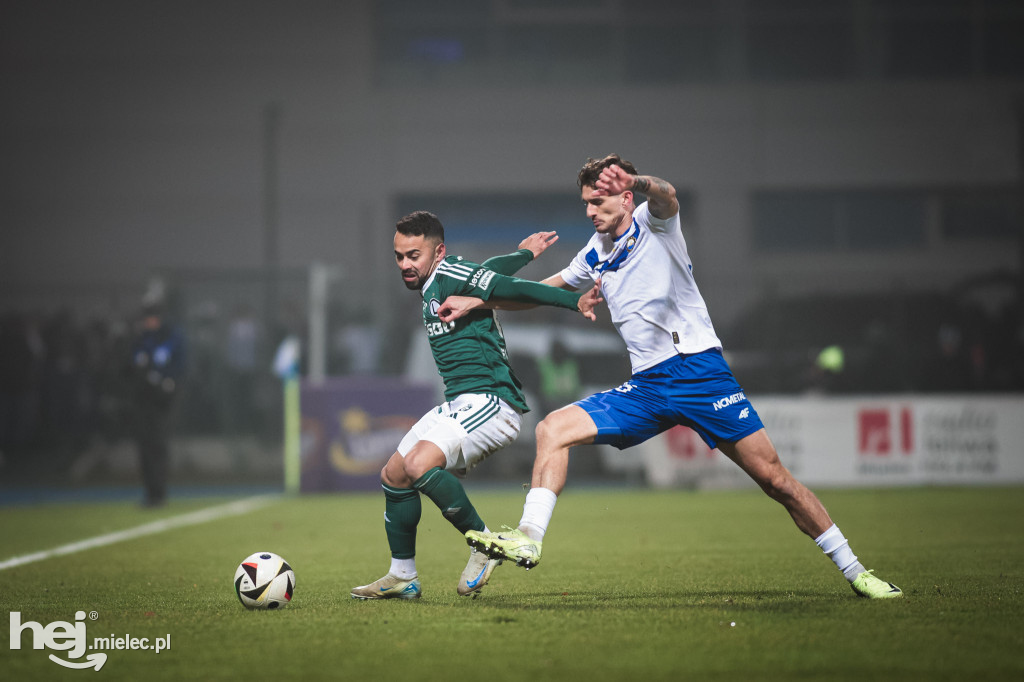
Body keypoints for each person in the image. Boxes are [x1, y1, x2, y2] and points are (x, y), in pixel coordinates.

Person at [442, 154, 902, 599]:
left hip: (700, 374)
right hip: (647, 386)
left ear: (625, 197)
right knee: (552, 429)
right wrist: (479, 303)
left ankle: (857, 572)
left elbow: (668, 195)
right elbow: (541, 291)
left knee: (775, 480)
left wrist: (637, 180)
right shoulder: (594, 251)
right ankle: (529, 537)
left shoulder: (653, 221)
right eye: (585, 202)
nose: (590, 211)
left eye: (599, 200)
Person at [350, 210, 602, 600]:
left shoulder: (450, 272)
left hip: (492, 402)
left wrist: (573, 301)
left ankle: (483, 546)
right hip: (459, 403)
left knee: (419, 465)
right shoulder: (439, 279)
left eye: (413, 255)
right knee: (394, 475)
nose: (404, 264)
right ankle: (403, 576)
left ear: (439, 252)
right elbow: (490, 269)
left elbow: (509, 288)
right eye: (399, 255)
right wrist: (525, 253)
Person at [126, 300, 186, 508]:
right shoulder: (141, 339)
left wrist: (166, 384)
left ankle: (159, 492)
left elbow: (179, 366)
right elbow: (133, 367)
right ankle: (150, 492)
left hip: (163, 399)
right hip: (144, 398)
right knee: (145, 445)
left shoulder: (171, 337)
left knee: (158, 443)